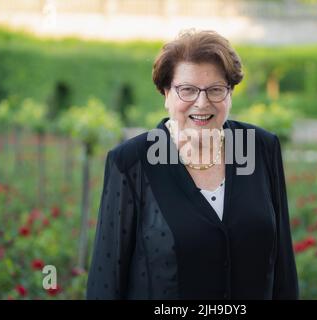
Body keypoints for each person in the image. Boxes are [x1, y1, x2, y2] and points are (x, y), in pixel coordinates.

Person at [86, 30, 298, 300]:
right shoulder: (130, 163)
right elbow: (106, 282)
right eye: (187, 89)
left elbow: (283, 269)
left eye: (215, 90)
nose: (202, 102)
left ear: (230, 93)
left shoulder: (261, 148)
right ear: (166, 93)